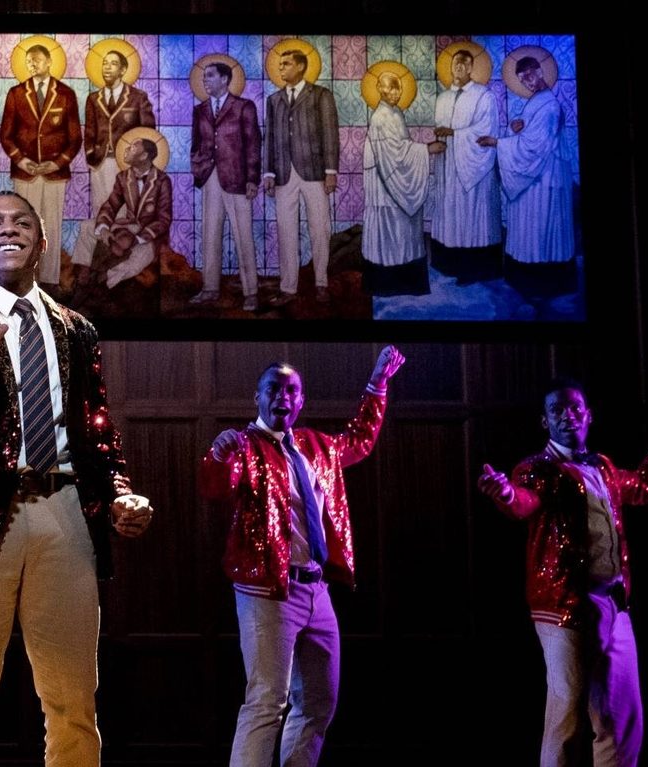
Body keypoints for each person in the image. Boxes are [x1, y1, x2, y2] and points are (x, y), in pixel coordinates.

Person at [0, 191, 155, 765]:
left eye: (22, 223)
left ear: (42, 241)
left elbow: (97, 432)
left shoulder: (78, 329)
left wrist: (119, 493)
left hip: (65, 514)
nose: (7, 230)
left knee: (72, 703)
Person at [199, 347, 405, 767]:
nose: (283, 397)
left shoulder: (314, 446)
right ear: (257, 397)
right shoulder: (243, 445)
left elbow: (359, 440)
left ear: (302, 400)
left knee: (318, 702)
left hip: (315, 588)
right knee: (266, 701)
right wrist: (219, 454)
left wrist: (377, 384)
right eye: (273, 389)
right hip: (265, 588)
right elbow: (216, 487)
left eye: (292, 391)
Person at [477, 381, 648, 767]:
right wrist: (506, 494)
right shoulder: (537, 468)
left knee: (622, 717)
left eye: (575, 408)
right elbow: (524, 502)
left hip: (613, 601)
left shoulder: (603, 466)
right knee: (567, 717)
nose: (568, 415)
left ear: (589, 416)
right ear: (544, 421)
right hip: (564, 607)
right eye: (557, 411)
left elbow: (643, 487)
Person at [487, 55, 575, 301]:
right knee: (532, 225)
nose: (526, 81)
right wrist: (516, 128)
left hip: (544, 177)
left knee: (542, 224)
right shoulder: (537, 102)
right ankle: (528, 278)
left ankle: (541, 282)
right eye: (522, 78)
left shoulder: (549, 105)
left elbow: (535, 145)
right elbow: (527, 134)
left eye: (529, 74)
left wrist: (498, 143)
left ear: (540, 70)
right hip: (536, 174)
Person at [69, 48, 156, 285]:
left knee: (126, 213)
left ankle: (120, 266)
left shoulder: (138, 98)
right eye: (104, 63)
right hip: (100, 165)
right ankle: (94, 266)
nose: (107, 67)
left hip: (126, 166)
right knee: (102, 214)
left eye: (113, 63)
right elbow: (89, 132)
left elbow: (148, 133)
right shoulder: (93, 99)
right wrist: (91, 157)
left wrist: (139, 162)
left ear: (124, 69)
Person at [0, 44, 82, 292]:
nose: (33, 65)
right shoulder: (16, 93)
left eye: (37, 60)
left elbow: (75, 138)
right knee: (24, 226)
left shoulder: (66, 94)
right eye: (29, 61)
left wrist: (56, 162)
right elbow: (6, 135)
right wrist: (23, 161)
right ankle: (25, 279)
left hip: (55, 173)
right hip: (25, 172)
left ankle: (50, 282)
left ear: (48, 62)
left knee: (52, 226)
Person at [261, 48, 339, 305]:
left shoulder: (320, 95)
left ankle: (321, 283)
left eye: (286, 64)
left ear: (301, 67)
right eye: (280, 65)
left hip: (315, 172)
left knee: (320, 229)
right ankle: (288, 288)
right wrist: (269, 172)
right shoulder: (274, 100)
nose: (281, 69)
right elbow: (269, 137)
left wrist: (330, 172)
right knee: (286, 231)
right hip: (284, 173)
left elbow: (330, 133)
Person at [188, 60, 263, 309]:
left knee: (243, 236)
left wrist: (253, 179)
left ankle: (251, 291)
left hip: (238, 179)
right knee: (210, 235)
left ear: (225, 79)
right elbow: (196, 144)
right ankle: (210, 288)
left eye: (210, 76)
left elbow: (253, 144)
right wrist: (199, 168)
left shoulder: (244, 107)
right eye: (204, 77)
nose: (205, 80)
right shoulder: (200, 111)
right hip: (210, 178)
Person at [428, 47, 503, 283]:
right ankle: (448, 263)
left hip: (473, 168)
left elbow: (486, 131)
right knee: (449, 214)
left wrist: (454, 134)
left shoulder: (484, 96)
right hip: (448, 168)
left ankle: (475, 268)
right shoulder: (443, 98)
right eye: (455, 64)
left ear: (472, 68)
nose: (459, 67)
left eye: (464, 63)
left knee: (474, 216)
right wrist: (440, 140)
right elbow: (441, 128)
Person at [360, 72, 433, 296]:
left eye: (398, 88)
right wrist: (427, 149)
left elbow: (401, 147)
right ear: (381, 90)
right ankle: (388, 284)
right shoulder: (382, 116)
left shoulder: (394, 112)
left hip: (394, 179)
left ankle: (402, 282)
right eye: (391, 88)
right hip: (385, 184)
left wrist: (416, 150)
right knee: (390, 229)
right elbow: (394, 153)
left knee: (401, 230)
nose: (396, 93)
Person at [86, 138, 172, 292]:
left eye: (132, 147)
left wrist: (138, 238)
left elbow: (163, 219)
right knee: (86, 227)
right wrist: (104, 228)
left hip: (150, 234)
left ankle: (103, 281)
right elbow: (111, 205)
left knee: (138, 258)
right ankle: (83, 277)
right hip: (128, 226)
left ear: (144, 155)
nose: (126, 150)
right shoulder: (123, 177)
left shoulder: (162, 181)